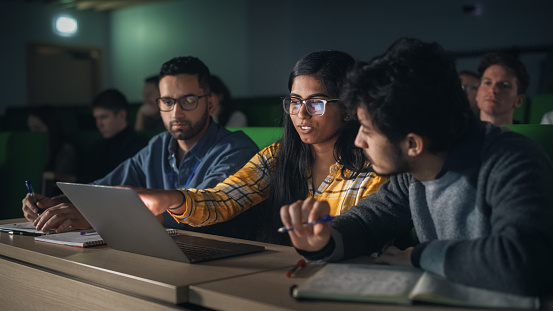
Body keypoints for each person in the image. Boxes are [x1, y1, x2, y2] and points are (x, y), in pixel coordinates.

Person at [279, 38, 553, 296]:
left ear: (413, 144)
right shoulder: (414, 174)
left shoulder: (513, 162)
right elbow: (367, 222)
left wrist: (419, 256)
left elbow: (524, 261)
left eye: (368, 130)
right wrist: (325, 240)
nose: (359, 141)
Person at [129, 50, 389, 245]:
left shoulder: (373, 167)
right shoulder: (277, 156)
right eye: (295, 102)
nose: (301, 115)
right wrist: (172, 199)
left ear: (346, 108)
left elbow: (366, 236)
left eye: (316, 103)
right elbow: (225, 199)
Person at [23, 56, 259, 235]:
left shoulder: (236, 150)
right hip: (161, 251)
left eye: (188, 100)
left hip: (219, 259)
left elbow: (204, 214)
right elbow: (103, 189)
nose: (176, 112)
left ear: (210, 103)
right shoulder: (158, 145)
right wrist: (55, 203)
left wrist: (96, 218)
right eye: (167, 101)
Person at [79, 89, 148, 183]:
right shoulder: (96, 149)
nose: (98, 124)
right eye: (96, 118)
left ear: (122, 115)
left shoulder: (140, 147)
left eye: (104, 117)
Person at [27, 104, 79, 196]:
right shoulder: (35, 150)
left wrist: (49, 175)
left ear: (51, 127)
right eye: (30, 129)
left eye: (37, 128)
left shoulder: (65, 149)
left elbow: (67, 180)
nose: (33, 134)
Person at [475, 52, 529, 126]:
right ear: (478, 93)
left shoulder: (529, 137)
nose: (492, 90)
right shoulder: (459, 135)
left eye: (504, 86)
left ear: (519, 100)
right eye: (487, 83)